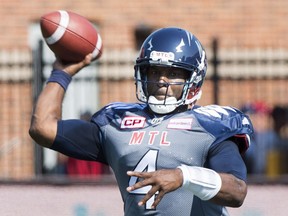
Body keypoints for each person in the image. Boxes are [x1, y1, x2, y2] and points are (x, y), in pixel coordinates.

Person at [29, 27, 254, 215]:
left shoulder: (211, 125)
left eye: (172, 72)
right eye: (154, 71)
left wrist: (183, 176)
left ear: (193, 78)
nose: (161, 80)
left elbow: (236, 191)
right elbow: (42, 128)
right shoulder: (117, 122)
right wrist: (61, 73)